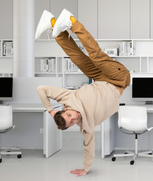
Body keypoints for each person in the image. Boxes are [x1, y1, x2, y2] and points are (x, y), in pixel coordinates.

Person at [35, 9, 130, 177]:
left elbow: (41, 89)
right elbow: (89, 147)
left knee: (95, 56)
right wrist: (85, 169)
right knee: (77, 56)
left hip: (105, 76)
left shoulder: (67, 98)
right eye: (71, 122)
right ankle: (52, 23)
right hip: (120, 81)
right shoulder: (86, 126)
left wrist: (50, 110)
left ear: (65, 109)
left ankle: (71, 21)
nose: (74, 118)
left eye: (69, 115)